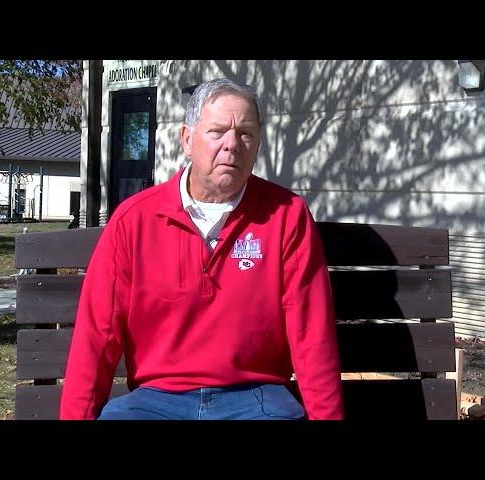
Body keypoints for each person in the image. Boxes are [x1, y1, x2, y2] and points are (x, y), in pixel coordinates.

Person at [59, 78, 344, 420]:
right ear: (187, 139)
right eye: (217, 131)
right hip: (156, 400)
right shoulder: (134, 220)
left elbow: (312, 334)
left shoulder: (286, 216)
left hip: (256, 399)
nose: (232, 145)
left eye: (246, 134)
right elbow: (96, 337)